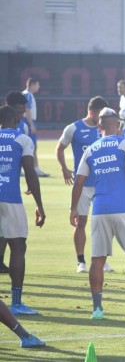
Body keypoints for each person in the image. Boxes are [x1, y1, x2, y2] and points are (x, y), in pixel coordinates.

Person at [70, 107, 125, 321]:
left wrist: (74, 209)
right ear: (118, 125)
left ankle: (97, 310)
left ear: (99, 127)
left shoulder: (91, 149)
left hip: (99, 210)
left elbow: (78, 181)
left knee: (97, 260)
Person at [56, 96, 113, 273]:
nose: (104, 119)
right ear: (93, 112)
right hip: (83, 184)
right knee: (81, 222)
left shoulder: (104, 129)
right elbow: (60, 148)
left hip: (102, 183)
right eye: (102, 114)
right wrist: (64, 168)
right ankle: (81, 262)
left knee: (103, 222)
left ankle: (102, 260)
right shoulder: (74, 128)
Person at [0, 105, 45, 315]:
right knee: (18, 247)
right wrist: (39, 205)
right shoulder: (22, 139)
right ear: (15, 119)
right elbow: (30, 172)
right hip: (10, 199)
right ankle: (16, 303)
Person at [0, 91, 30, 274]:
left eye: (23, 112)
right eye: (19, 112)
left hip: (10, 187)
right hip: (8, 194)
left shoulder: (21, 129)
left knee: (5, 228)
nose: (21, 116)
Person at [22, 78, 49, 177]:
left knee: (27, 146)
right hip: (28, 122)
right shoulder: (27, 95)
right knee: (32, 146)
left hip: (26, 121)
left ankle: (27, 169)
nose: (39, 87)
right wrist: (31, 124)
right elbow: (27, 110)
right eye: (37, 84)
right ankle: (35, 169)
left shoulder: (26, 94)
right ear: (32, 85)